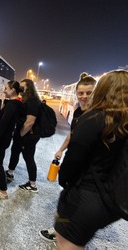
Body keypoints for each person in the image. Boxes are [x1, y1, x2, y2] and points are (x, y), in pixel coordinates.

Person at [54, 70, 128, 249]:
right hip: (116, 201)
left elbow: (73, 162)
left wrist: (65, 182)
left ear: (103, 90)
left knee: (66, 244)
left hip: (87, 198)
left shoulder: (95, 119)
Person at [40, 72, 96, 242]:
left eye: (89, 93)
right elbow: (72, 134)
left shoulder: (97, 115)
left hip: (87, 168)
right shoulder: (78, 112)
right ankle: (61, 230)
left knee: (72, 202)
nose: (84, 97)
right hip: (73, 162)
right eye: (81, 93)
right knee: (66, 198)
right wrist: (61, 150)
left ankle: (62, 232)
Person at [0, 80, 23, 199]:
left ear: (12, 90)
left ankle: (3, 191)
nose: (4, 90)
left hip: (1, 139)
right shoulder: (16, 103)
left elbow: (3, 124)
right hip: (5, 138)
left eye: (6, 88)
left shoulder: (12, 105)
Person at [6, 78, 40, 192]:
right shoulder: (27, 100)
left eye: (22, 87)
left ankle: (32, 184)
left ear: (29, 88)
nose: (20, 89)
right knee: (15, 151)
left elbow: (30, 122)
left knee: (28, 157)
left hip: (28, 135)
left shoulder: (33, 101)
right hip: (23, 133)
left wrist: (19, 135)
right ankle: (10, 173)